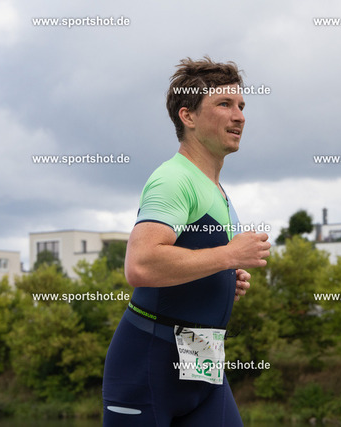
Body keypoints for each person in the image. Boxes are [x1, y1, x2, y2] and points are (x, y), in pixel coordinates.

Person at [102, 56, 270, 426]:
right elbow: (141, 264)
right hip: (148, 366)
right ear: (188, 116)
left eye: (241, 106)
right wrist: (227, 256)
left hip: (203, 362)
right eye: (224, 104)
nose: (239, 116)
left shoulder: (215, 188)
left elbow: (193, 257)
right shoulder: (173, 179)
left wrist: (222, 278)